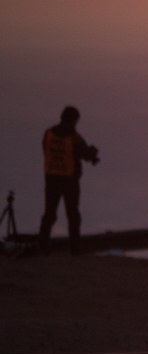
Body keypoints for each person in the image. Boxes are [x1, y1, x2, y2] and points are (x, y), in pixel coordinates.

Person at [39, 106, 100, 255]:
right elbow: (84, 153)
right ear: (73, 120)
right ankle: (75, 249)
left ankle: (43, 247)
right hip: (69, 181)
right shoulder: (74, 137)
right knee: (73, 215)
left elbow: (45, 150)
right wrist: (92, 153)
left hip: (51, 178)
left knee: (49, 214)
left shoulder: (48, 133)